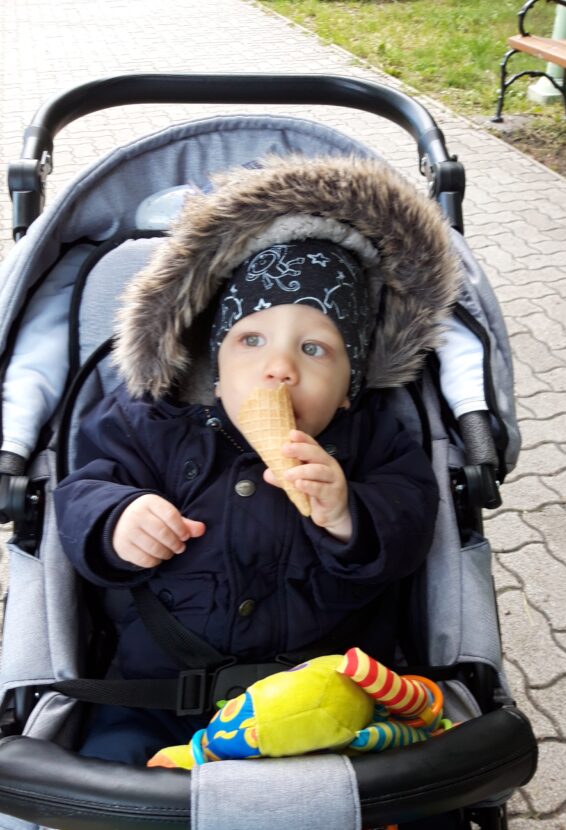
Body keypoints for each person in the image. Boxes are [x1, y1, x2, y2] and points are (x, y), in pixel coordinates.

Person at [54, 154, 460, 765]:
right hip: (159, 695)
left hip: (324, 705)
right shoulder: (147, 424)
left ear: (349, 388)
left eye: (315, 349)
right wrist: (117, 520)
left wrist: (349, 514)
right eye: (250, 340)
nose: (280, 367)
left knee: (401, 787)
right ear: (215, 369)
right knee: (104, 784)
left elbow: (412, 520)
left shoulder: (372, 440)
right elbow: (82, 488)